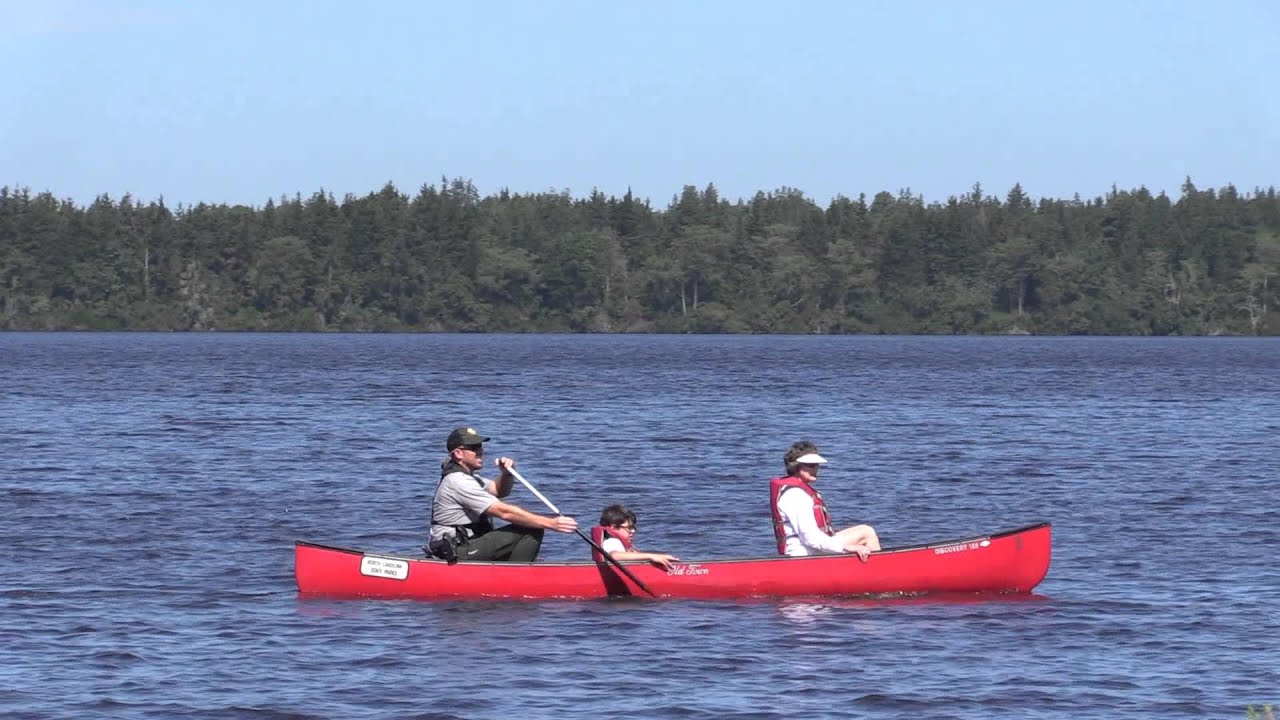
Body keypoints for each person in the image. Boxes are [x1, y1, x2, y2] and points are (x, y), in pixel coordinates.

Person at [427, 426, 577, 562]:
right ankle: (516, 575)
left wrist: (506, 474)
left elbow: (499, 490)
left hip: (467, 544)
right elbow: (504, 512)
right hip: (456, 550)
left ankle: (513, 569)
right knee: (532, 528)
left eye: (480, 446)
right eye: (474, 448)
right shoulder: (458, 481)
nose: (480, 451)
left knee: (530, 525)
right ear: (458, 453)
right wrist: (551, 523)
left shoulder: (471, 479)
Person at [769, 440, 881, 560]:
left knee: (866, 530)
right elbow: (811, 538)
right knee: (867, 533)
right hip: (803, 553)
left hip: (810, 548)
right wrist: (845, 547)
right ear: (796, 467)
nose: (816, 469)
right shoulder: (796, 495)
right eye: (811, 465)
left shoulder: (797, 490)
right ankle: (878, 568)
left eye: (817, 464)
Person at [590, 504, 679, 570]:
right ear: (613, 527)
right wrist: (652, 556)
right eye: (629, 528)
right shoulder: (611, 541)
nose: (633, 531)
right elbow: (614, 555)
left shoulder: (616, 542)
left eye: (633, 528)